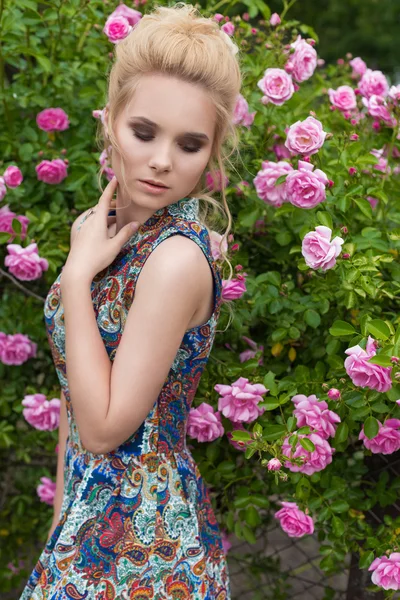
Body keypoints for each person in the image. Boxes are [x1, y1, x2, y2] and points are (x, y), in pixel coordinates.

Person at [19, 2, 241, 598]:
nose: (162, 160)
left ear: (213, 150)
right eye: (144, 132)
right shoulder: (96, 230)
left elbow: (104, 428)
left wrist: (73, 278)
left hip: (147, 542)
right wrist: (63, 518)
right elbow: (74, 395)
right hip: (87, 523)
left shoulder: (174, 261)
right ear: (111, 121)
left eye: (190, 144)